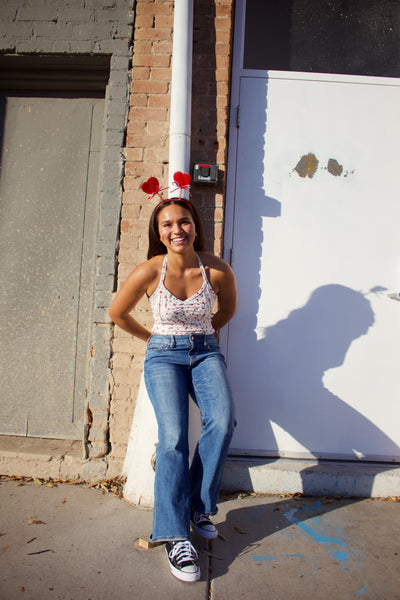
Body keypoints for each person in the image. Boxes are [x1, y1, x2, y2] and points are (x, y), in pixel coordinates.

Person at [109, 172, 237, 583]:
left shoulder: (216, 269)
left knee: (223, 420)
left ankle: (197, 508)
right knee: (175, 439)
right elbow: (117, 313)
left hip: (204, 352)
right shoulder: (149, 271)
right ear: (159, 233)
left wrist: (201, 337)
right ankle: (173, 534)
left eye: (183, 221)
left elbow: (226, 313)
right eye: (167, 224)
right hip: (163, 356)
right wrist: (153, 338)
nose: (176, 229)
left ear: (195, 226)